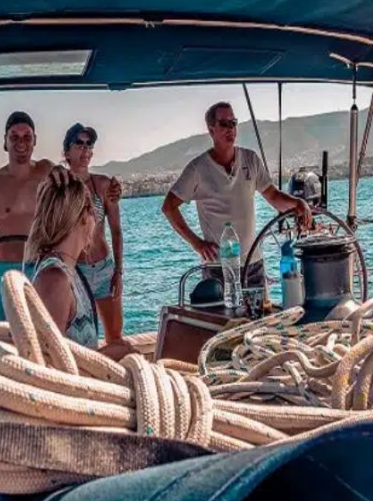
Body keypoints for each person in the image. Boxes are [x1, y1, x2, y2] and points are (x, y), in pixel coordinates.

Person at [0, 111, 120, 319]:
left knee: (48, 332)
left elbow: (79, 187)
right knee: (6, 335)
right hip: (7, 271)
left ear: (35, 141)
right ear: (5, 142)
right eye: (14, 136)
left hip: (43, 266)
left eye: (27, 137)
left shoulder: (49, 171)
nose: (21, 142)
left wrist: (112, 190)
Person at [162, 101, 312, 290]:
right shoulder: (198, 169)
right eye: (224, 124)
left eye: (233, 123)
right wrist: (197, 243)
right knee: (223, 319)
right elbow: (168, 206)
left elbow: (273, 196)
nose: (230, 129)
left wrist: (298, 204)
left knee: (259, 318)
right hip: (219, 267)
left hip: (254, 263)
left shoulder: (250, 159)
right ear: (211, 130)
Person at [62, 122, 126, 343]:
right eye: (78, 143)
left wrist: (118, 271)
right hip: (75, 273)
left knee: (115, 337)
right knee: (78, 342)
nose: (85, 149)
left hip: (104, 270)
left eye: (89, 144)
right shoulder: (60, 187)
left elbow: (116, 230)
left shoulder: (103, 185)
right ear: (66, 152)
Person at [25, 172, 103, 350]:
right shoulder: (54, 279)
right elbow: (50, 367)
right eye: (95, 210)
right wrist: (110, 355)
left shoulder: (69, 272)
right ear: (84, 216)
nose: (97, 219)